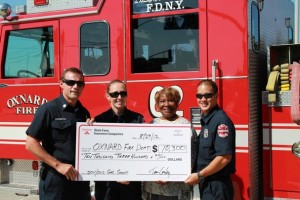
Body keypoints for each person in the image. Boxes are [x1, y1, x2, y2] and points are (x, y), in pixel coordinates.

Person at [25, 67, 91, 200]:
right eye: (70, 82)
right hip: (56, 180)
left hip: (80, 180)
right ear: (61, 84)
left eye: (80, 83)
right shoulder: (48, 110)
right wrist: (58, 165)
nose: (75, 86)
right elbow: (30, 143)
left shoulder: (84, 113)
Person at [93, 79, 144, 200]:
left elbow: (142, 152)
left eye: (123, 93)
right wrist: (87, 130)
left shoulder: (138, 119)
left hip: (130, 183)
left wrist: (131, 174)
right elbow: (95, 155)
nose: (119, 97)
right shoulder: (98, 121)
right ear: (107, 96)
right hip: (106, 185)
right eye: (114, 94)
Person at [143, 86, 197, 200]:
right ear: (157, 105)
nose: (166, 104)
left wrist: (171, 176)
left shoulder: (185, 125)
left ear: (177, 104)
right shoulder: (152, 124)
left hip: (176, 188)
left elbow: (191, 158)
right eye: (162, 101)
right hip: (154, 186)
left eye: (171, 100)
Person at [185, 80, 236, 200]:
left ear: (216, 95)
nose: (203, 99)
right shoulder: (208, 120)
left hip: (217, 185)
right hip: (207, 182)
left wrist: (199, 175)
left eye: (208, 95)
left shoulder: (221, 121)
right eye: (199, 96)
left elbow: (224, 158)